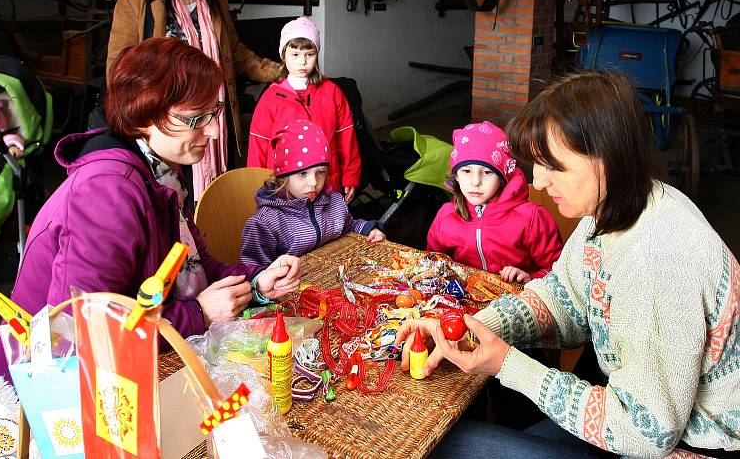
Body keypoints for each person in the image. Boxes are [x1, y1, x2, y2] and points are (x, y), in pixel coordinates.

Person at [397, 71, 740, 458]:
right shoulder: (611, 210)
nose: (539, 182)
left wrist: (509, 365)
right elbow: (564, 298)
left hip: (683, 445)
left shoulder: (659, 259)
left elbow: (648, 434)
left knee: (445, 445)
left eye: (552, 165)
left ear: (606, 158)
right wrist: (470, 327)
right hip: (629, 410)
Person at [0, 38, 301, 383]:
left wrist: (256, 281)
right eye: (197, 118)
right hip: (47, 394)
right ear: (144, 117)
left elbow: (194, 265)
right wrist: (198, 314)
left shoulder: (160, 170)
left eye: (214, 113)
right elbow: (84, 329)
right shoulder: (107, 191)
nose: (211, 130)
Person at [107, 0, 279, 198]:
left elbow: (235, 53)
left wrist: (279, 72)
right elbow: (119, 66)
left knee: (215, 195)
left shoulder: (216, 1)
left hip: (213, 112)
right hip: (168, 119)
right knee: (169, 191)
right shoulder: (137, 1)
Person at [427, 121, 563, 283]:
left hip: (517, 300)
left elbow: (559, 271)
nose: (475, 181)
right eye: (466, 171)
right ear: (455, 175)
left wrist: (529, 278)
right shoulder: (446, 215)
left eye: (487, 172)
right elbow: (433, 262)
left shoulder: (532, 217)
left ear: (502, 177)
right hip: (462, 301)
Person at [246, 16, 361, 203]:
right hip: (283, 188)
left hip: (327, 183)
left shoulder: (332, 92)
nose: (302, 62)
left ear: (317, 54)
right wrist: (256, 184)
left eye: (309, 54)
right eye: (295, 55)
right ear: (283, 55)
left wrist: (350, 177)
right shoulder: (270, 98)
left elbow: (347, 138)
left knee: (328, 228)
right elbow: (258, 145)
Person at [240, 119, 384, 266]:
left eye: (320, 172)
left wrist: (367, 229)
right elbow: (253, 270)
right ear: (283, 176)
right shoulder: (265, 222)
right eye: (303, 173)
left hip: (336, 278)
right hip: (292, 286)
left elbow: (348, 227)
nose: (314, 183)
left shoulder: (334, 202)